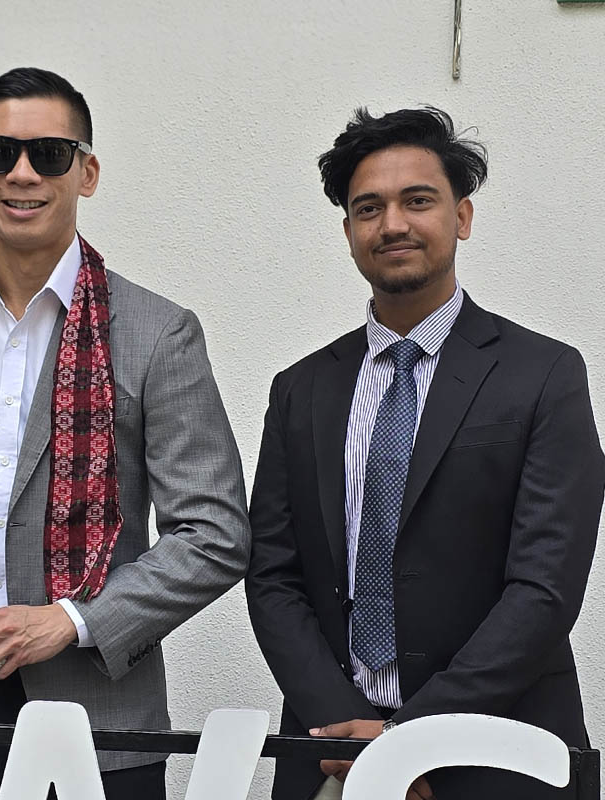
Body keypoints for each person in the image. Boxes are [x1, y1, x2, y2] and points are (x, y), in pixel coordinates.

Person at [0, 67, 251, 799]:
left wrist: (72, 619)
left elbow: (214, 532)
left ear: (86, 173)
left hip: (98, 721)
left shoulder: (158, 334)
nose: (23, 173)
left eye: (50, 154)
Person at [245, 107, 605, 800]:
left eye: (418, 201)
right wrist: (348, 732)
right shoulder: (301, 388)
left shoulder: (544, 375)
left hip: (498, 750)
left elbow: (544, 589)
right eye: (368, 208)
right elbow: (273, 576)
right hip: (333, 753)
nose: (393, 224)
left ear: (461, 217)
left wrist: (410, 739)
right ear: (349, 232)